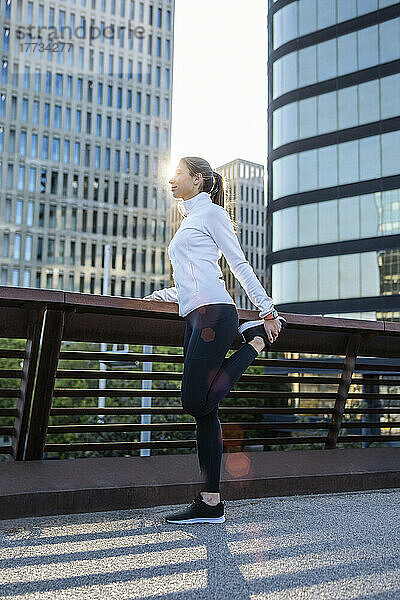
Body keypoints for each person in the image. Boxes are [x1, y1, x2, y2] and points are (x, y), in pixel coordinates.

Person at [143, 156, 286, 524]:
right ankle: (210, 503)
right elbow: (194, 278)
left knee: (193, 401)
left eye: (178, 174)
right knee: (206, 410)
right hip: (196, 317)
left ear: (198, 179)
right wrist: (163, 296)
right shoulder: (191, 220)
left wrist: (266, 311)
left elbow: (239, 264)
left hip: (215, 315)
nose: (171, 180)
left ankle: (253, 342)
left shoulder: (212, 215)